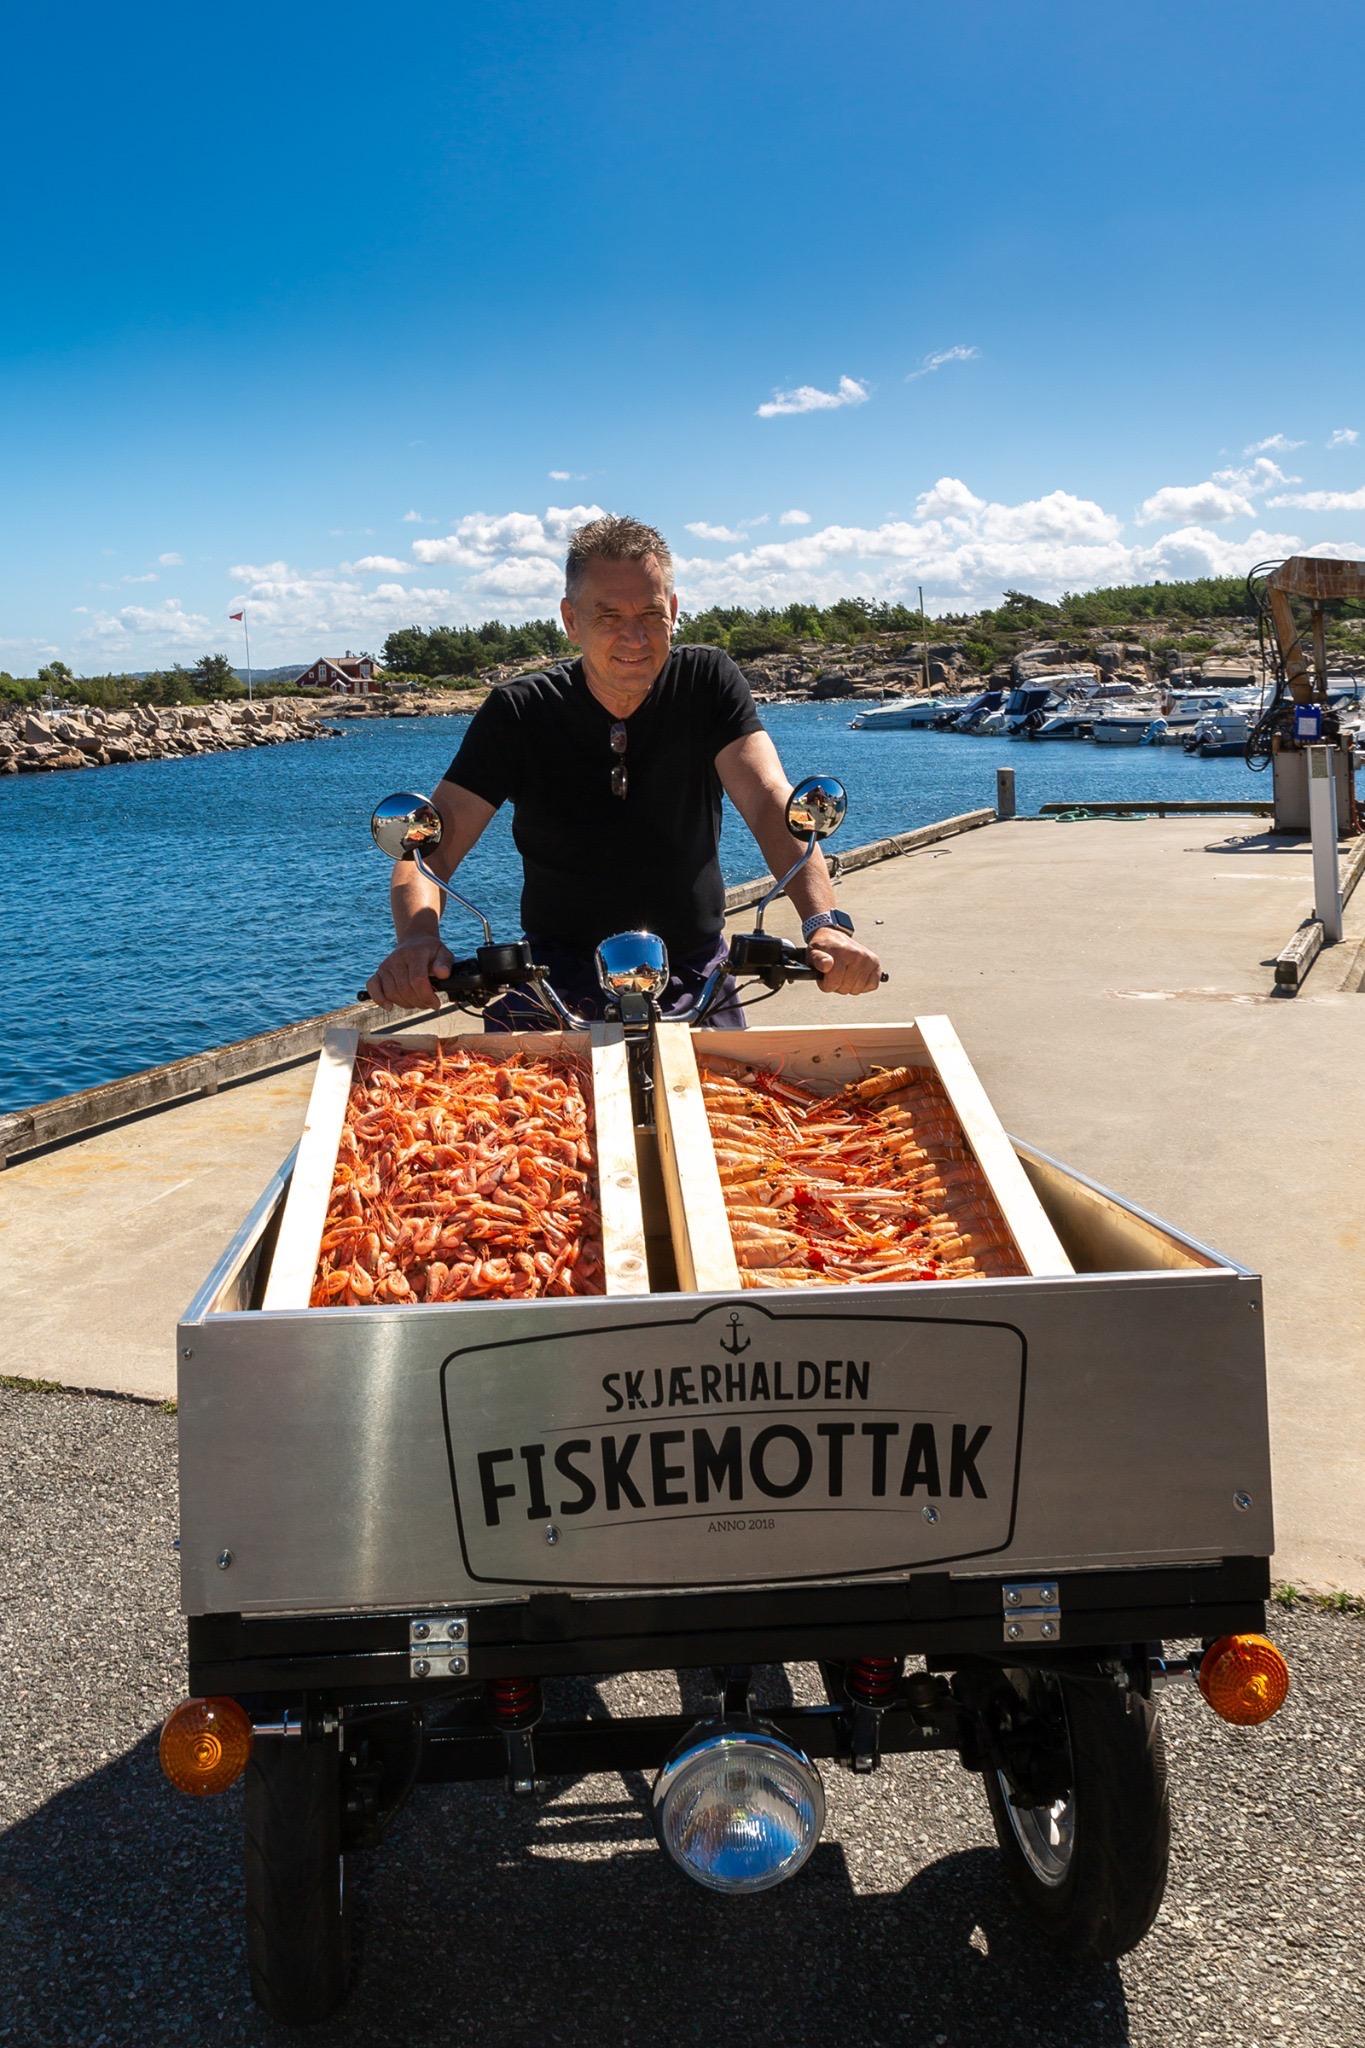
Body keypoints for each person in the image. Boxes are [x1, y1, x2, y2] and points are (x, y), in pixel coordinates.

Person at [366, 514, 883, 1024]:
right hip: (555, 977)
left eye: (651, 615)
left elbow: (770, 798)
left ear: (674, 612)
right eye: (608, 616)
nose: (635, 639)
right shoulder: (519, 711)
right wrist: (417, 939)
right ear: (571, 621)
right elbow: (432, 841)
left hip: (694, 971)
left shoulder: (708, 682)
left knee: (733, 1099)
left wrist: (824, 923)